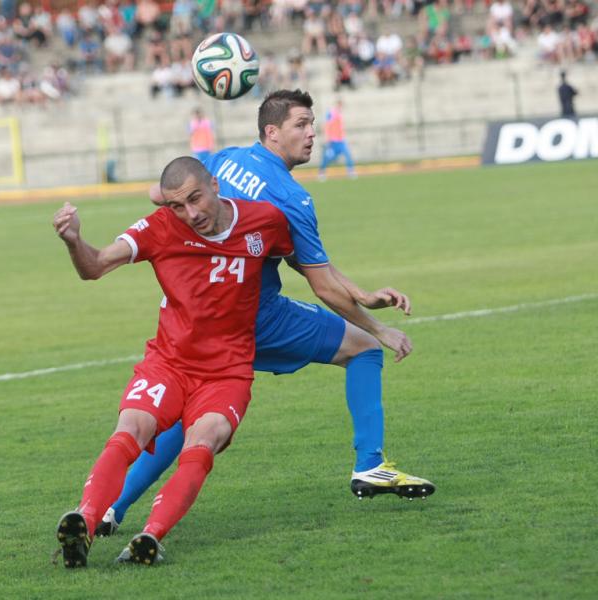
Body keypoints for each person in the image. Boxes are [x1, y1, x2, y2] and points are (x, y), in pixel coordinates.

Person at [95, 89, 435, 538]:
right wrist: (377, 325)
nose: (312, 133)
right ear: (272, 132)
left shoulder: (226, 159)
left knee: (187, 413)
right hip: (255, 318)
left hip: (194, 319)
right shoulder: (291, 198)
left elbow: (158, 193)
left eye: (312, 124)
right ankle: (370, 465)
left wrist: (364, 293)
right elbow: (321, 285)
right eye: (301, 124)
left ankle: (110, 508)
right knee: (366, 349)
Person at [53, 157, 294, 566]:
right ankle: (85, 520)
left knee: (205, 440)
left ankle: (150, 536)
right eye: (178, 206)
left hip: (227, 372)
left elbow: (312, 266)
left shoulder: (265, 221)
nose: (191, 214)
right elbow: (94, 267)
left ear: (215, 186)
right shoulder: (160, 228)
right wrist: (75, 241)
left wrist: (360, 302)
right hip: (170, 362)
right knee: (132, 426)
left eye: (196, 199)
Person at [318, 99, 356, 180]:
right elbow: (326, 125)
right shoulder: (331, 113)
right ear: (338, 105)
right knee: (329, 157)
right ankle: (321, 172)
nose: (341, 107)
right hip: (333, 141)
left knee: (347, 155)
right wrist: (326, 137)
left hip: (341, 140)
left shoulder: (339, 114)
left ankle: (351, 171)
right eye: (340, 105)